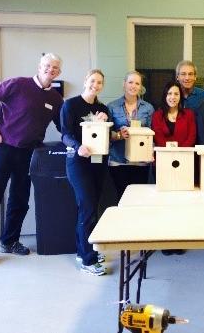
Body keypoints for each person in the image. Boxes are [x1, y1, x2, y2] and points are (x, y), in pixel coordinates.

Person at [0, 53, 63, 267]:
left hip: (28, 153)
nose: (50, 70)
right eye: (47, 65)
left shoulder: (55, 99)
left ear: (58, 72)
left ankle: (10, 241)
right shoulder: (18, 84)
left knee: (20, 199)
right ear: (39, 66)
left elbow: (63, 126)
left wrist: (85, 132)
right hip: (2, 148)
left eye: (54, 68)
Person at [61, 69, 111, 276]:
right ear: (85, 81)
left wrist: (109, 123)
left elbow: (109, 134)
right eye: (92, 81)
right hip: (78, 164)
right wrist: (77, 146)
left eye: (99, 82)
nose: (95, 85)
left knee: (89, 208)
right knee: (88, 208)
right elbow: (65, 134)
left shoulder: (102, 108)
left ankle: (83, 251)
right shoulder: (70, 105)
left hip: (98, 164)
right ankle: (88, 261)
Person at [151, 81, 196, 256]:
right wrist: (171, 152)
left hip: (184, 163)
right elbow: (158, 137)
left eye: (176, 94)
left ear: (181, 96)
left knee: (180, 203)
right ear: (165, 95)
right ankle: (165, 240)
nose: (173, 97)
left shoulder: (189, 114)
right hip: (163, 162)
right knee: (164, 203)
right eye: (169, 93)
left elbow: (192, 136)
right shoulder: (157, 115)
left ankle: (178, 239)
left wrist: (179, 153)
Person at [107, 71, 155, 204]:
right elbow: (107, 134)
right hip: (118, 160)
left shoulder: (148, 108)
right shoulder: (112, 106)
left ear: (141, 87)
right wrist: (118, 135)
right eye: (130, 82)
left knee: (139, 200)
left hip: (141, 161)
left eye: (137, 83)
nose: (133, 86)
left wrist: (152, 151)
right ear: (124, 84)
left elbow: (152, 134)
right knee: (122, 198)